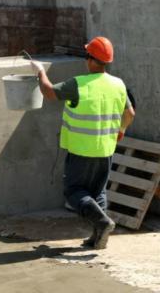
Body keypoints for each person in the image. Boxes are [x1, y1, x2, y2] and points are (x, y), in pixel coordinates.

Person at [30, 36, 135, 250]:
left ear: (91, 59)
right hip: (105, 149)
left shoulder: (78, 84)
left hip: (81, 150)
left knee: (74, 192)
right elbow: (130, 113)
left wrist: (40, 71)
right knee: (98, 192)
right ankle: (98, 238)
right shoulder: (118, 84)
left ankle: (102, 223)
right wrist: (121, 130)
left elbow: (49, 92)